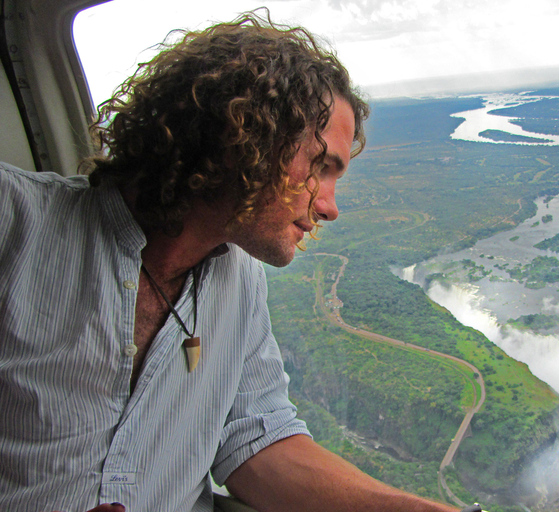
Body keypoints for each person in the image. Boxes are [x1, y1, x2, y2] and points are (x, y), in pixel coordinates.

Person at [0, 10, 478, 512]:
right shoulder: (15, 225)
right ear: (246, 137)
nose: (330, 207)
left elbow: (258, 443)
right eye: (320, 167)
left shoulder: (238, 280)